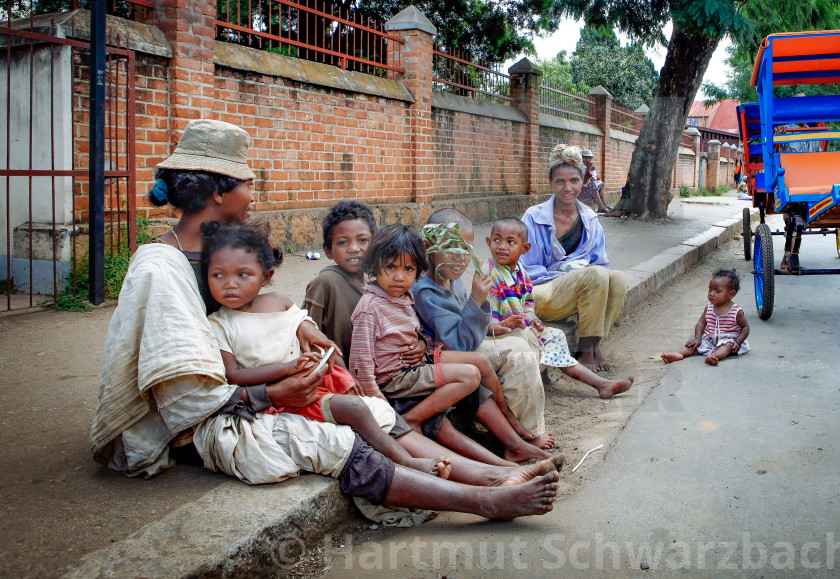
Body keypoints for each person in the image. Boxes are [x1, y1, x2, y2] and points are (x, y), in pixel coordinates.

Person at [89, 119, 558, 521]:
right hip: (222, 415)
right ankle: (486, 503)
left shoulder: (226, 253)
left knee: (375, 413)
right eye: (247, 183)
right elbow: (185, 393)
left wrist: (308, 357)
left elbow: (283, 317)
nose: (254, 193)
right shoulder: (160, 266)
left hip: (281, 389)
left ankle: (498, 475)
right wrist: (272, 391)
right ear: (218, 190)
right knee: (336, 444)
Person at [202, 220, 451, 480]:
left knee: (366, 410)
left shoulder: (280, 301)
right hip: (284, 397)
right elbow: (234, 376)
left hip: (312, 380)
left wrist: (342, 372)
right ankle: (408, 462)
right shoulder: (219, 324)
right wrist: (287, 369)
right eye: (218, 275)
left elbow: (318, 338)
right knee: (354, 410)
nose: (230, 284)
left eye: (242, 275)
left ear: (266, 276)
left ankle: (407, 457)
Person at [349, 225, 551, 462]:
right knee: (470, 376)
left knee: (480, 364)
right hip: (396, 378)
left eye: (408, 269)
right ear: (374, 266)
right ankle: (413, 419)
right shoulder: (371, 307)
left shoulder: (404, 296)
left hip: (419, 360)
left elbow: (414, 332)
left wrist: (423, 343)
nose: (399, 276)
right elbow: (361, 365)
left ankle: (511, 426)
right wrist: (381, 408)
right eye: (390, 267)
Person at [413, 209, 555, 451]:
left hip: (470, 344)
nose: (461, 258)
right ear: (429, 246)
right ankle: (527, 433)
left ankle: (522, 422)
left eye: (466, 249)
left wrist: (493, 326)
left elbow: (466, 325)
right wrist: (476, 301)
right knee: (518, 352)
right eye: (452, 248)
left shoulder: (451, 279)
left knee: (527, 336)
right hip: (448, 356)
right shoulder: (426, 292)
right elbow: (457, 343)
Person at [488, 217, 634, 398]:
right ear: (488, 242)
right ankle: (525, 385)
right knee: (536, 343)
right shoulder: (489, 274)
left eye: (510, 242)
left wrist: (533, 320)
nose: (502, 246)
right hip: (501, 334)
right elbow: (488, 315)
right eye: (497, 240)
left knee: (555, 336)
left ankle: (601, 384)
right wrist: (511, 325)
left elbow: (527, 304)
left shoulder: (521, 273)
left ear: (525, 249)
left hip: (520, 329)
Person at [522, 144, 628, 372]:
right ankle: (588, 349)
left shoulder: (590, 219)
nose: (567, 188)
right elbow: (526, 268)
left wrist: (582, 275)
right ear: (551, 183)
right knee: (594, 273)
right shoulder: (533, 217)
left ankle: (590, 345)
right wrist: (570, 275)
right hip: (539, 292)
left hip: (580, 289)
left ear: (583, 181)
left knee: (618, 278)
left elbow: (600, 264)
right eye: (560, 181)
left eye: (574, 181)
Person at [302, 199, 378, 363]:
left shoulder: (379, 283)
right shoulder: (325, 283)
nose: (354, 248)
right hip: (341, 377)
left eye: (363, 240)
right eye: (343, 242)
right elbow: (306, 335)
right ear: (328, 250)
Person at [660, 269, 750, 365]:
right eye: (710, 290)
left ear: (731, 294)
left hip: (728, 339)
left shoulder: (736, 311)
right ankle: (679, 354)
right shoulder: (709, 307)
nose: (711, 294)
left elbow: (745, 327)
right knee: (694, 345)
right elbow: (701, 322)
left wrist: (738, 342)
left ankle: (714, 356)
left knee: (726, 346)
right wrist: (698, 337)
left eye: (717, 291)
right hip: (709, 339)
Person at [578, 149, 611, 213]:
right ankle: (600, 206)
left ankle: (605, 205)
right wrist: (589, 169)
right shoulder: (580, 166)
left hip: (588, 184)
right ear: (582, 158)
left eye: (589, 158)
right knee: (593, 185)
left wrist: (594, 178)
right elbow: (584, 178)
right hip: (582, 186)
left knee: (600, 184)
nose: (587, 160)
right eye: (585, 158)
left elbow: (594, 176)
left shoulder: (591, 166)